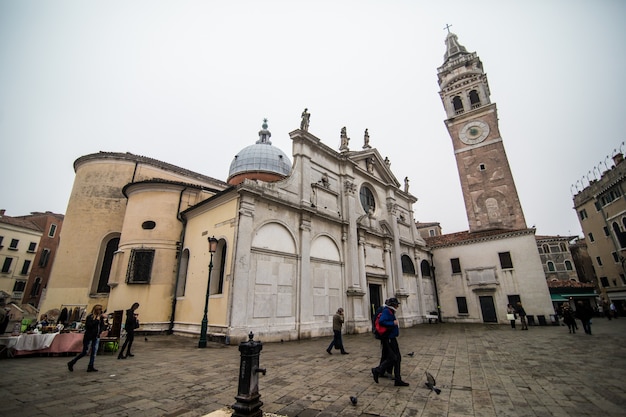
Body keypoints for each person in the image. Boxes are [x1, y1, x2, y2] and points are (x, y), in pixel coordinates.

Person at [371, 298, 409, 387]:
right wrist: (393, 323)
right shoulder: (387, 311)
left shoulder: (390, 311)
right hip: (389, 338)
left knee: (397, 358)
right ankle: (377, 370)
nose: (398, 306)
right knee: (393, 358)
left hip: (391, 338)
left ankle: (397, 379)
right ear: (392, 305)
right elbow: (382, 321)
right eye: (396, 304)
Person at [67, 304, 105, 372]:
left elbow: (102, 325)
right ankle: (72, 362)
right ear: (96, 310)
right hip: (89, 337)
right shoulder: (90, 317)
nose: (100, 311)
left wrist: (100, 331)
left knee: (94, 352)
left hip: (96, 337)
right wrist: (96, 320)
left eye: (101, 309)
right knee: (85, 352)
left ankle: (90, 366)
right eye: (99, 309)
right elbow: (89, 326)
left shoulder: (100, 318)